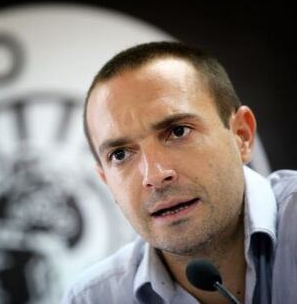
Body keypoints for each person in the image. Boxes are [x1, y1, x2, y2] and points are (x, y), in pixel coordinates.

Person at [61, 41, 297, 304]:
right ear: (106, 181)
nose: (154, 175)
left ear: (241, 136)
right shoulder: (91, 299)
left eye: (178, 131)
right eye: (120, 155)